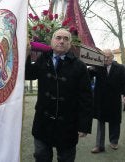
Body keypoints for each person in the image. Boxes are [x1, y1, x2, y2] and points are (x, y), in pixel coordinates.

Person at [25, 28, 93, 162]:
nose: (62, 41)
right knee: (41, 156)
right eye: (58, 38)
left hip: (67, 125)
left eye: (66, 39)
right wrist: (27, 54)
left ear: (70, 43)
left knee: (66, 158)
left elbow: (86, 97)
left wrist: (84, 125)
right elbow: (28, 74)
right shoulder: (43, 59)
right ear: (51, 41)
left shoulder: (79, 66)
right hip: (43, 122)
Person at [89, 49, 125, 153]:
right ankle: (99, 145)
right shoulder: (97, 67)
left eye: (108, 57)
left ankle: (114, 141)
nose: (106, 59)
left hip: (114, 99)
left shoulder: (120, 68)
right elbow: (87, 77)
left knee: (115, 121)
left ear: (112, 57)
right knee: (100, 122)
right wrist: (90, 69)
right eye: (104, 57)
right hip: (100, 100)